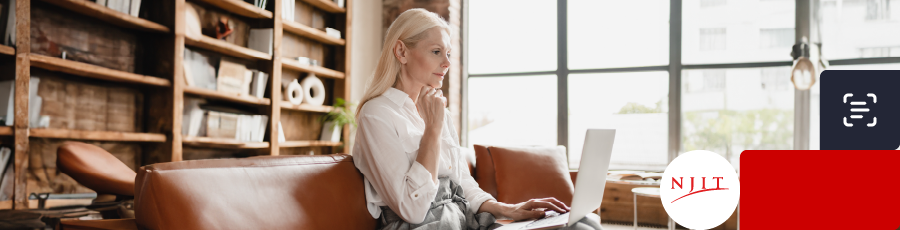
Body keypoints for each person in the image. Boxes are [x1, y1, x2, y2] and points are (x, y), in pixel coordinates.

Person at [352, 8, 602, 230]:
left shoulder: (439, 110)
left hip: (463, 218)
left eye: (448, 53)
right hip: (424, 225)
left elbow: (461, 182)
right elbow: (413, 210)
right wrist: (433, 129)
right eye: (436, 51)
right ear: (401, 51)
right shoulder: (377, 114)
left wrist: (506, 208)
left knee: (583, 223)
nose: (447, 62)